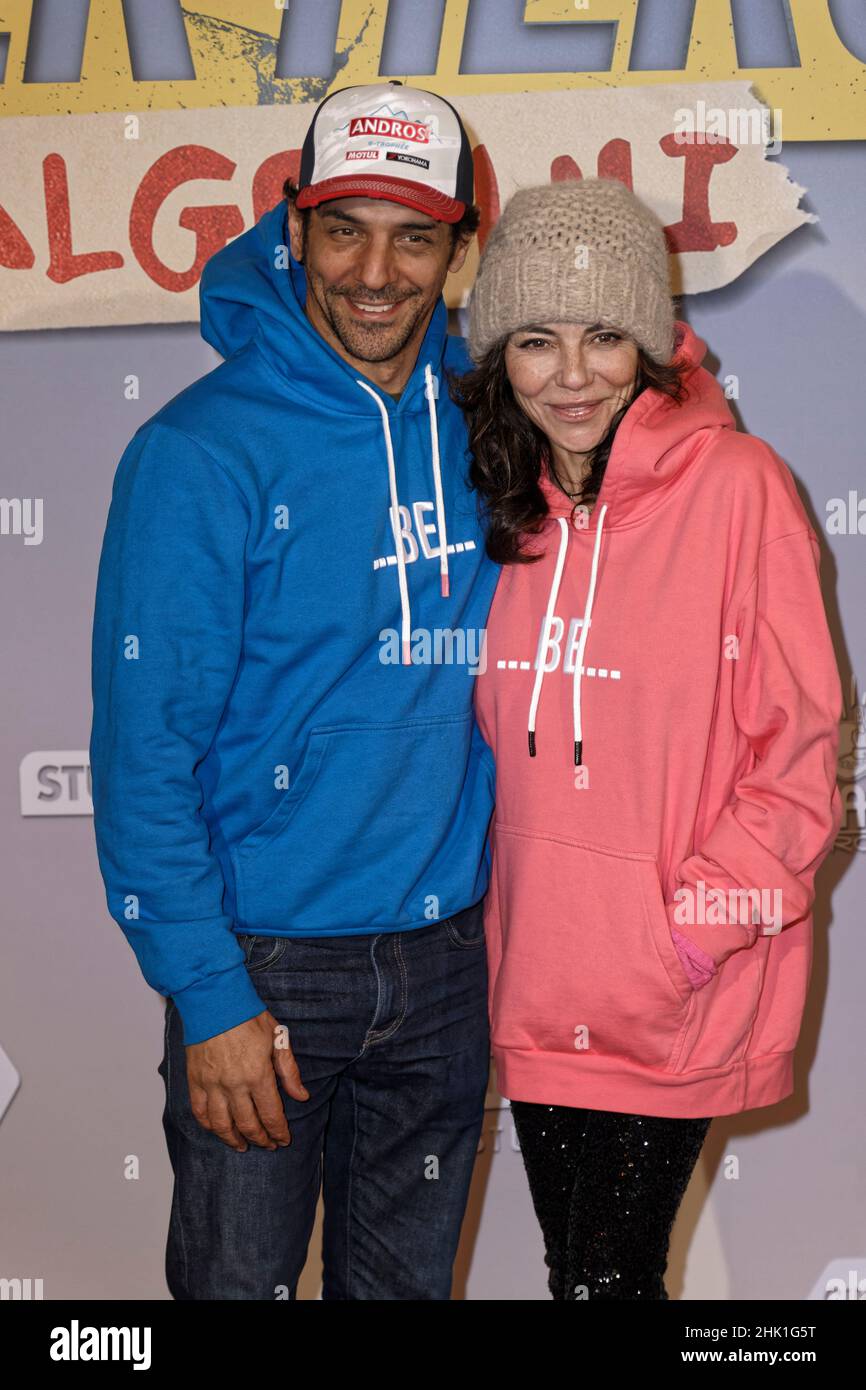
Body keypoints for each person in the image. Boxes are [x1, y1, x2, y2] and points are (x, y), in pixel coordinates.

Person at [89, 81, 500, 1301]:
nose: (375, 272)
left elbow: (645, 383)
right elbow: (143, 747)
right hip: (265, 967)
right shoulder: (198, 452)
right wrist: (208, 995)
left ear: (456, 246)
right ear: (292, 229)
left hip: (445, 964)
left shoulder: (494, 419)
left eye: (413, 235)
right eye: (343, 230)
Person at [453, 178, 843, 1300]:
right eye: (534, 339)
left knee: (607, 1278)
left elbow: (799, 756)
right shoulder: (505, 503)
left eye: (602, 337)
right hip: (535, 983)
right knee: (577, 1273)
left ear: (651, 344)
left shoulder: (739, 488)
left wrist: (683, 936)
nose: (569, 374)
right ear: (498, 356)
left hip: (672, 989)